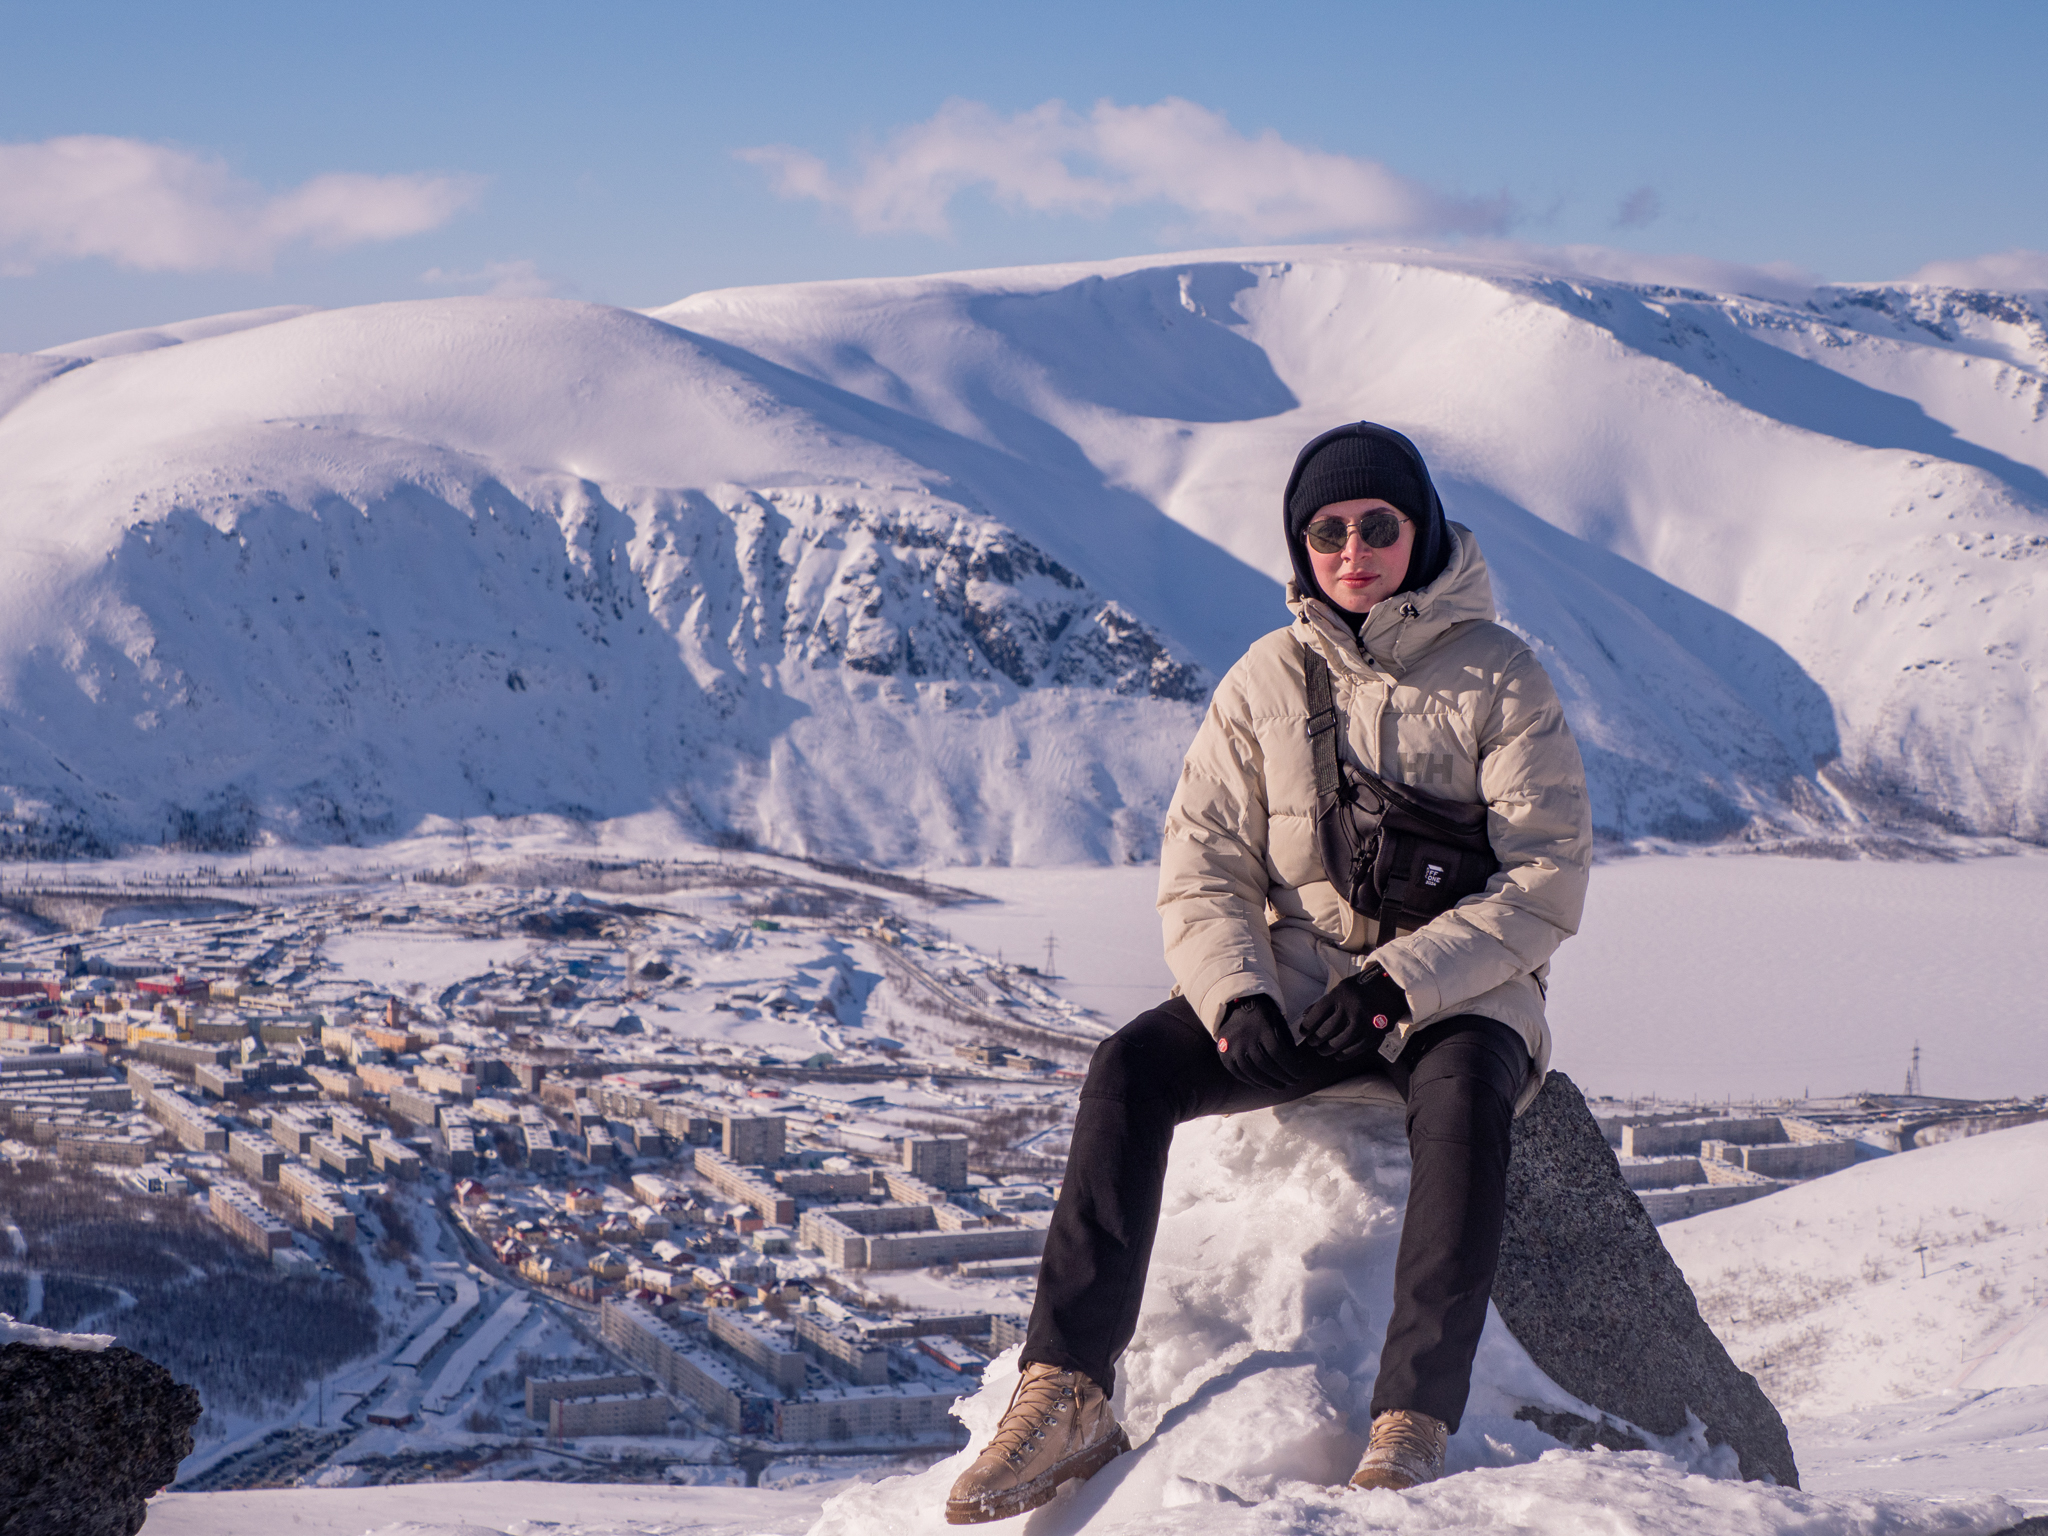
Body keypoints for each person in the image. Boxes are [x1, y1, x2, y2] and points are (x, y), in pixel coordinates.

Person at [944, 422, 1593, 1524]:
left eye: (1375, 525)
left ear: (1419, 530)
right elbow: (1202, 867)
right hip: (1297, 977)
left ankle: (1411, 1419)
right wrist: (1236, 997)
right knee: (1130, 1069)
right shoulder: (1264, 679)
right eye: (1325, 530)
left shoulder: (1499, 675)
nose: (1351, 548)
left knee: (1462, 1094)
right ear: (1301, 548)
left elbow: (1543, 881)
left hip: (1453, 991)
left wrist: (1397, 985)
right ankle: (1065, 1388)